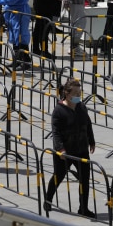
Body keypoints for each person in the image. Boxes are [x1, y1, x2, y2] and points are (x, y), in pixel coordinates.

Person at [43, 78, 96, 218]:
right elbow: (56, 133)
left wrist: (91, 140)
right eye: (76, 93)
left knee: (84, 180)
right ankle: (48, 199)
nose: (79, 96)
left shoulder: (81, 107)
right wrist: (60, 150)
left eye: (80, 92)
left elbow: (88, 124)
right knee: (58, 177)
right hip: (65, 152)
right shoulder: (58, 111)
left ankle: (83, 208)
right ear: (67, 94)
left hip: (82, 150)